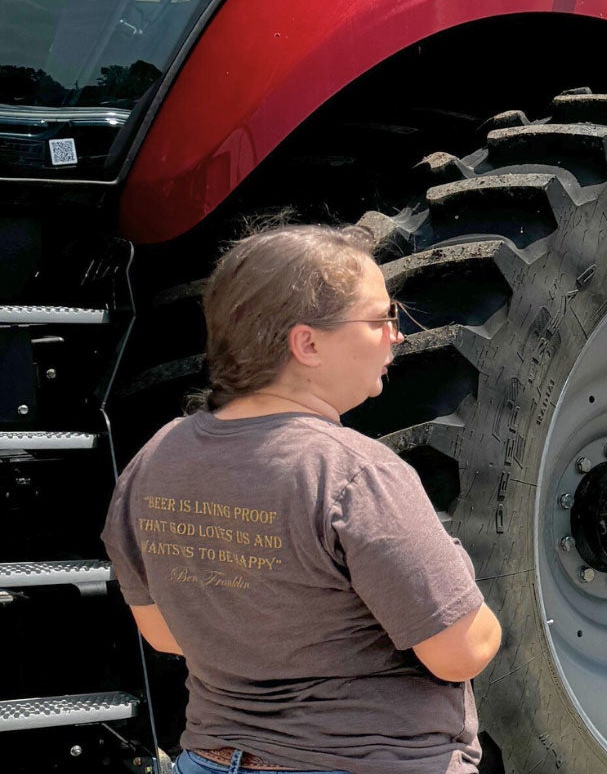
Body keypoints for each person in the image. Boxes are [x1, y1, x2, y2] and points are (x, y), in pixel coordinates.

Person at [102, 225, 502, 774]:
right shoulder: (355, 474)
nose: (397, 336)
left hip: (208, 760)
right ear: (307, 343)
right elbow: (461, 652)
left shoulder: (153, 461)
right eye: (380, 318)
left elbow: (164, 633)